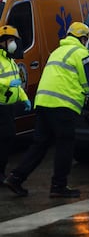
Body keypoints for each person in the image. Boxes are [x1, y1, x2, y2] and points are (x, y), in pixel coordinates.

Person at [4, 22, 89, 197]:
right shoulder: (81, 53)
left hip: (43, 102)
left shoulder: (56, 52)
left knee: (40, 144)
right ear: (83, 38)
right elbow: (87, 81)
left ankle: (16, 177)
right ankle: (59, 186)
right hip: (63, 105)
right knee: (65, 144)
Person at [0, 25, 31, 184]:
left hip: (9, 107)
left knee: (8, 139)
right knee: (4, 139)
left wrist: (24, 98)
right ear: (3, 42)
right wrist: (8, 83)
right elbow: (9, 82)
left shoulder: (10, 61)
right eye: (10, 40)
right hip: (1, 107)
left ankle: (2, 171)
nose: (13, 44)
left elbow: (17, 85)